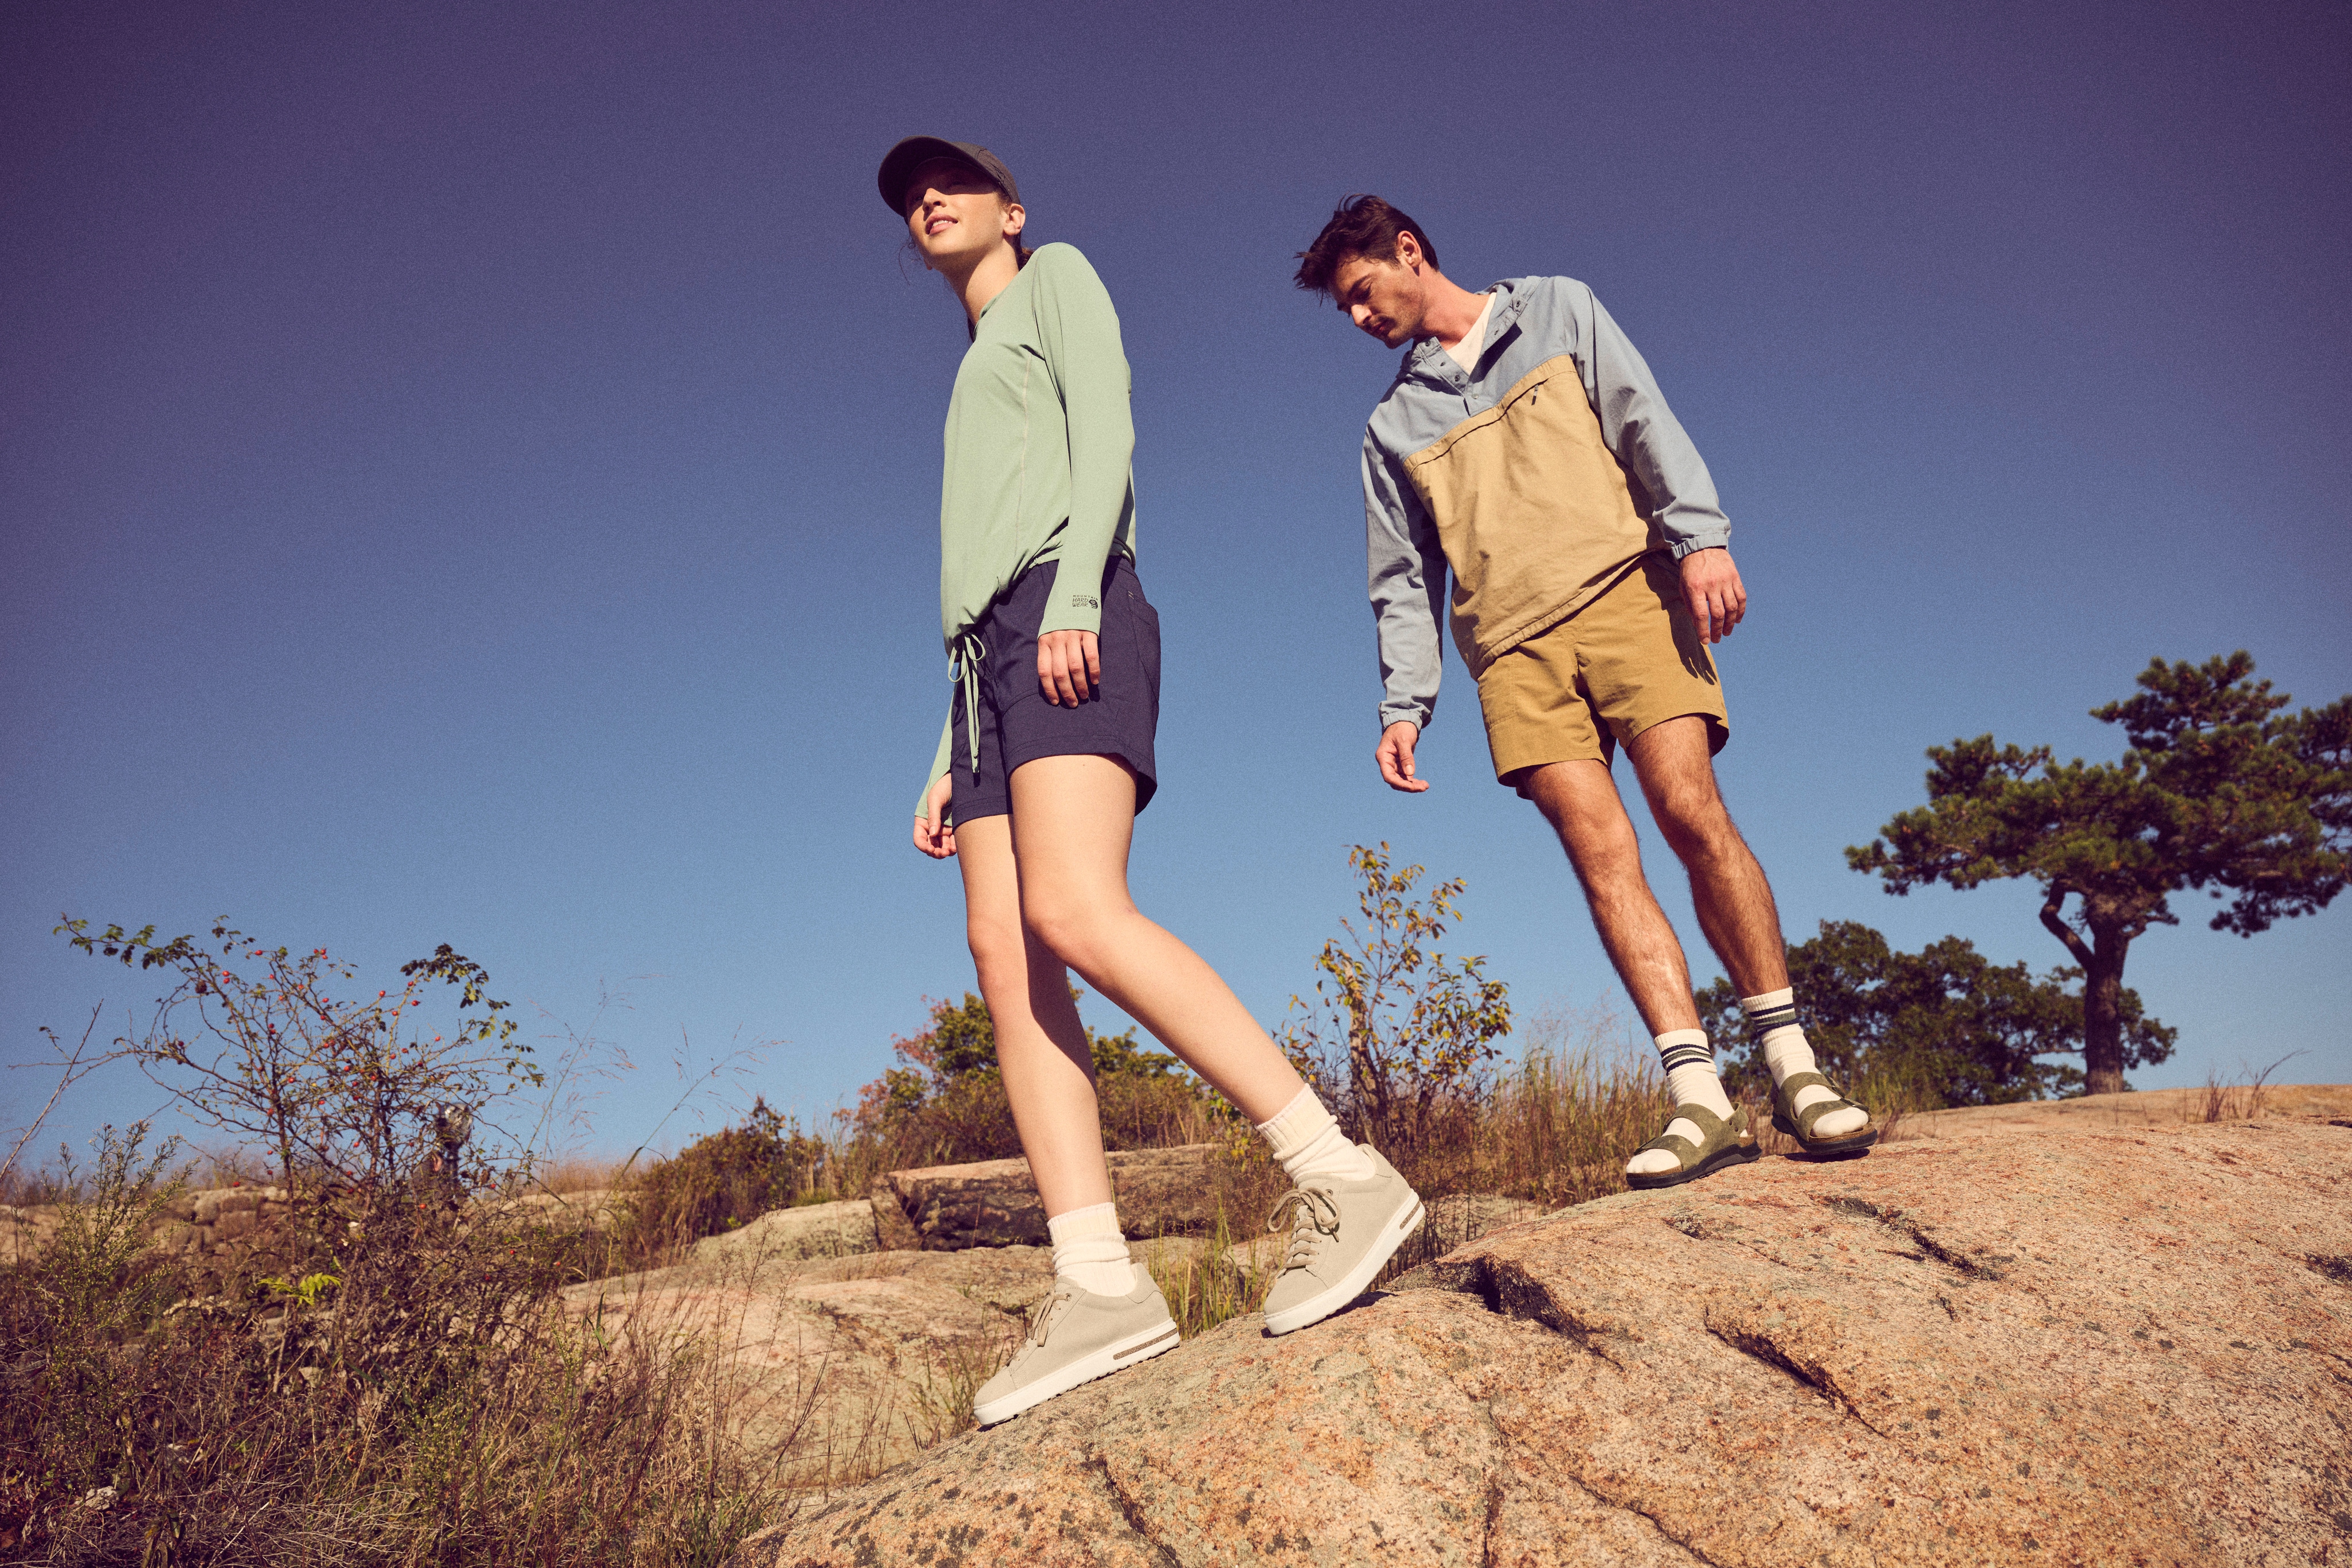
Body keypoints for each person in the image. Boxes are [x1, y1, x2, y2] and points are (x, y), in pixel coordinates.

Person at [880, 140, 1424, 1424]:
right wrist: (945, 748)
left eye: (950, 182)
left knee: (1074, 908)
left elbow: (1107, 432)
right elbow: (977, 574)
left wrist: (1073, 595)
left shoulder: (1054, 278)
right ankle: (1099, 1283)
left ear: (1011, 210)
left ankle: (1336, 1174)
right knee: (1007, 959)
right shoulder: (968, 370)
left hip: (1071, 609)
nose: (926, 201)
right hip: (984, 673)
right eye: (909, 197)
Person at [1291, 195, 1877, 1191]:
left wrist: (1701, 538)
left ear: (1409, 250)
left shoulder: (1558, 310)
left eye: (1361, 293)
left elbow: (1644, 419)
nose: (1359, 319)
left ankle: (1794, 1069)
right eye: (1344, 309)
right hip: (1513, 654)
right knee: (1604, 857)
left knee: (1691, 814)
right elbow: (1402, 580)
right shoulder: (1391, 427)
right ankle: (1701, 1101)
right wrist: (1405, 703)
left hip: (1628, 598)